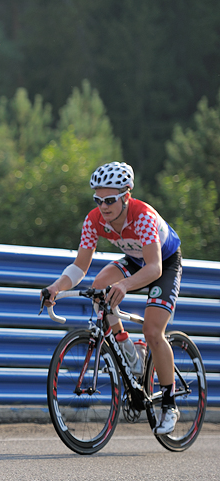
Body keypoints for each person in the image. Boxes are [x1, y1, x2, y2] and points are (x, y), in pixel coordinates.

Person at [41, 161, 182, 434]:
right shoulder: (93, 220)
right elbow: (80, 266)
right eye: (98, 200)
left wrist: (125, 285)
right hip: (136, 260)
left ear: (126, 196)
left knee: (153, 331)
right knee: (99, 286)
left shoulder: (143, 216)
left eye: (109, 200)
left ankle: (169, 403)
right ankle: (126, 344)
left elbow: (154, 268)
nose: (103, 207)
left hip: (163, 263)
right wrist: (56, 287)